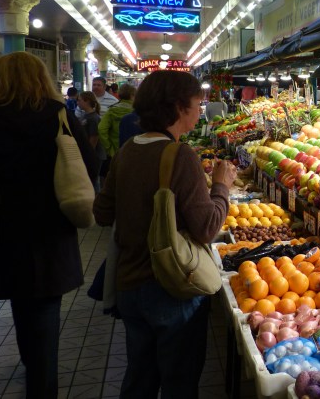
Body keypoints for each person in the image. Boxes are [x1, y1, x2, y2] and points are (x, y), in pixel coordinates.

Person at [93, 70, 235, 398]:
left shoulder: (128, 150)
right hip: (171, 288)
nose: (201, 109)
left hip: (130, 283)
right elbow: (207, 227)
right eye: (197, 103)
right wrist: (221, 187)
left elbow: (101, 214)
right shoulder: (179, 155)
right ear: (176, 107)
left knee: (139, 379)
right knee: (179, 383)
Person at [0, 52, 95, 398]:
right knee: (45, 310)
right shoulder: (57, 115)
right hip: (51, 228)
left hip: (4, 231)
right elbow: (87, 165)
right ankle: (41, 383)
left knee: (21, 304)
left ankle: (32, 363)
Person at [99, 83, 136, 158]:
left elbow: (101, 129)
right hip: (134, 150)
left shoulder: (112, 110)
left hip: (116, 150)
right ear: (132, 95)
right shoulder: (137, 111)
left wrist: (109, 148)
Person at [78, 91, 105, 192]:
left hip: (95, 154)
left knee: (93, 180)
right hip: (92, 153)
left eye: (80, 100)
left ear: (86, 101)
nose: (78, 103)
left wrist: (89, 154)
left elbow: (94, 138)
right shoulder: (86, 116)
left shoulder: (93, 118)